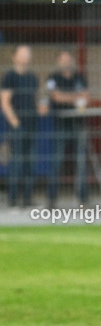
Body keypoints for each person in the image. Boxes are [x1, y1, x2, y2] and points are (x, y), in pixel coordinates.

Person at [2, 45, 45, 208]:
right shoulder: (9, 77)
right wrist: (15, 124)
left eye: (29, 54)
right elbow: (5, 103)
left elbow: (36, 100)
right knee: (16, 162)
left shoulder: (33, 77)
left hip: (32, 125)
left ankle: (27, 199)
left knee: (30, 163)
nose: (27, 56)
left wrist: (41, 109)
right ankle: (13, 200)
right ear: (15, 56)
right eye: (24, 54)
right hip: (17, 126)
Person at [46, 50, 89, 207]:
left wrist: (66, 97)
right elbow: (55, 97)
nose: (66, 62)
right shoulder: (53, 78)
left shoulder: (80, 77)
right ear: (59, 62)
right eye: (62, 59)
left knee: (81, 162)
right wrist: (75, 97)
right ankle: (51, 199)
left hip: (78, 124)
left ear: (72, 60)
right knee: (57, 162)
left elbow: (85, 98)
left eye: (68, 59)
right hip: (60, 124)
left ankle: (83, 199)